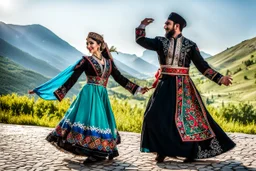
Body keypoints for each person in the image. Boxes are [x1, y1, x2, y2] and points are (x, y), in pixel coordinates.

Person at [29, 32, 148, 164]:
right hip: (89, 95)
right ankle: (97, 152)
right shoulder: (86, 61)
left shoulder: (109, 63)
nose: (88, 46)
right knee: (91, 122)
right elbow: (72, 78)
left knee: (101, 122)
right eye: (87, 43)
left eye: (91, 43)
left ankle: (103, 150)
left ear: (99, 45)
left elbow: (120, 78)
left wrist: (138, 89)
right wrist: (46, 91)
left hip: (101, 96)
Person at [135, 12, 236, 163]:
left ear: (177, 26)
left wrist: (220, 78)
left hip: (183, 87)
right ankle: (162, 149)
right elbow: (141, 40)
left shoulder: (190, 45)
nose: (164, 26)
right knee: (152, 116)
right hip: (164, 84)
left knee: (187, 121)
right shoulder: (160, 41)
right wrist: (142, 25)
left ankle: (190, 152)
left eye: (167, 23)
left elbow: (202, 66)